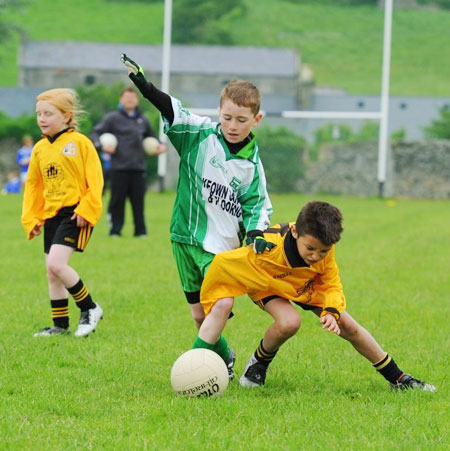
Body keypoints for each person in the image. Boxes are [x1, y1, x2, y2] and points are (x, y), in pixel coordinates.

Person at [121, 54, 274, 379]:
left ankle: (192, 370)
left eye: (242, 120)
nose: (233, 126)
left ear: (256, 119)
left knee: (221, 305)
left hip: (221, 249)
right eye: (228, 117)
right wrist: (147, 88)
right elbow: (173, 110)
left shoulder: (252, 165)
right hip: (183, 238)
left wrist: (256, 233)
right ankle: (226, 357)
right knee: (200, 316)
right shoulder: (200, 135)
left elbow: (258, 205)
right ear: (219, 112)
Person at [194, 201, 436, 392]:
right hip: (268, 284)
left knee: (347, 325)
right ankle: (258, 365)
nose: (316, 256)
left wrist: (331, 311)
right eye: (311, 249)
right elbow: (223, 265)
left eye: (324, 251)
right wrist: (214, 302)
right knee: (289, 322)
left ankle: (398, 378)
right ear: (296, 232)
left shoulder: (322, 253)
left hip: (304, 285)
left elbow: (331, 283)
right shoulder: (266, 249)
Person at [21, 88, 104, 338]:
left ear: (66, 117)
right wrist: (32, 218)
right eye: (39, 114)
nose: (42, 119)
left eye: (48, 113)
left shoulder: (80, 143)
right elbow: (34, 186)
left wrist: (87, 209)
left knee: (57, 264)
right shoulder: (39, 149)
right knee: (51, 269)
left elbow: (96, 180)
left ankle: (90, 307)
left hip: (75, 211)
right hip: (51, 214)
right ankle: (60, 326)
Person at [90, 87, 165, 238]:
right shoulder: (112, 118)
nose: (130, 100)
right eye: (127, 97)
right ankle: (115, 231)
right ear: (121, 100)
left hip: (138, 168)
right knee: (117, 202)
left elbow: (152, 137)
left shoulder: (143, 120)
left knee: (138, 203)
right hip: (119, 168)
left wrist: (160, 145)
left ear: (137, 100)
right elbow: (95, 133)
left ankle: (141, 232)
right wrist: (101, 146)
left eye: (132, 97)